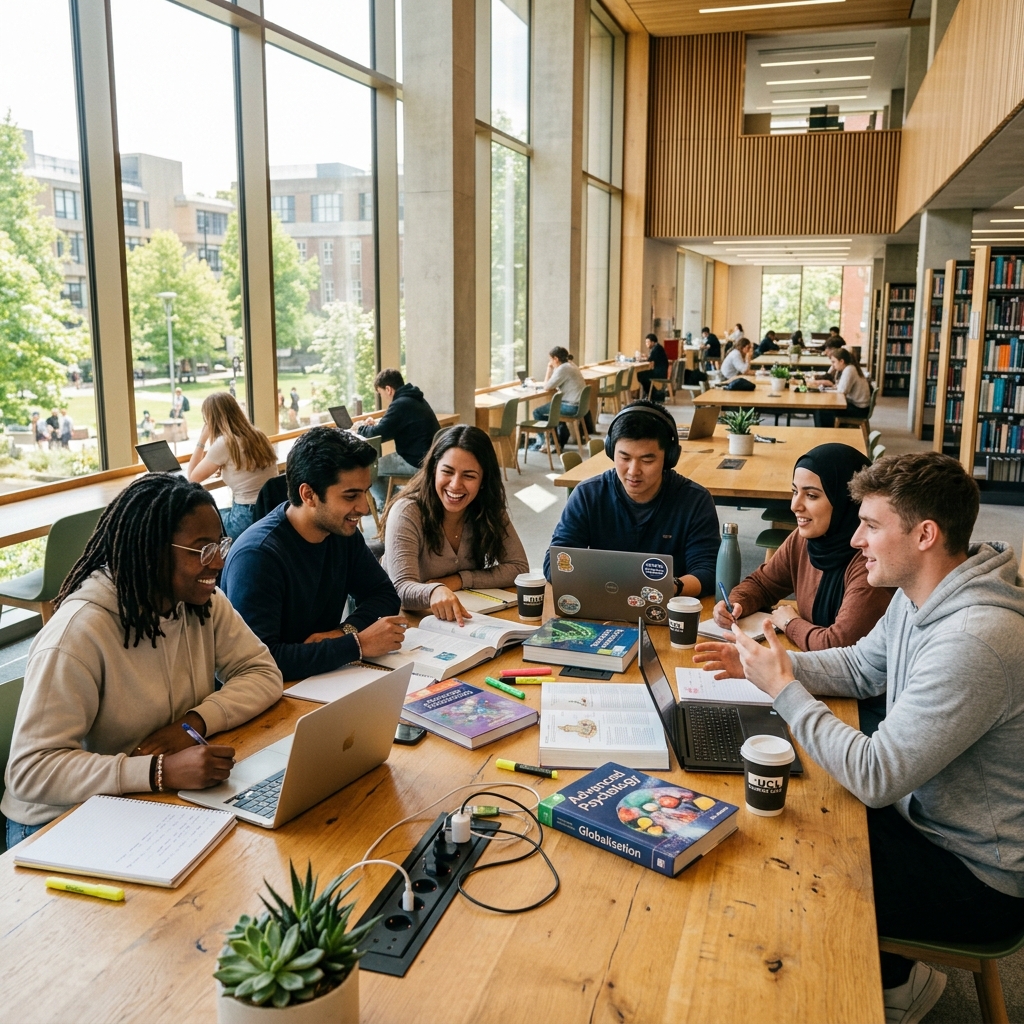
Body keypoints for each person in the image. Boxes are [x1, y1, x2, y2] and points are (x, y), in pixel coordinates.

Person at [694, 453, 1024, 1024]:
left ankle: (878, 987)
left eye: (871, 525)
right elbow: (860, 668)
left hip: (974, 875)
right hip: (923, 816)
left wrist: (784, 690)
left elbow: (876, 776)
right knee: (783, 813)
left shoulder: (976, 640)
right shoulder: (921, 591)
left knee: (777, 868)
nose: (856, 539)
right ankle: (897, 975)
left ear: (925, 535)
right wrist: (768, 663)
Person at [1, 473, 283, 848]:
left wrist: (191, 723)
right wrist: (158, 771)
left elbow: (263, 673)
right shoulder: (78, 633)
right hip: (58, 818)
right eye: (202, 550)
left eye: (219, 545)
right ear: (151, 550)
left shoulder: (202, 603)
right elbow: (31, 771)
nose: (218, 562)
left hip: (139, 797)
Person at [222, 426, 405, 681]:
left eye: (365, 491)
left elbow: (383, 595)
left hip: (321, 680)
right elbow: (261, 660)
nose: (364, 507)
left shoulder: (342, 533)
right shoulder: (257, 557)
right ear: (308, 495)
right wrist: (356, 644)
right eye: (351, 495)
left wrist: (344, 632)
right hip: (271, 695)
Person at [713, 444, 894, 651]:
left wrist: (791, 623)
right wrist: (735, 604)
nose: (794, 505)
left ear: (847, 501)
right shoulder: (805, 539)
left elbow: (837, 645)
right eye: (795, 491)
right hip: (812, 665)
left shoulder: (870, 561)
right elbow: (763, 584)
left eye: (811, 495)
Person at [544, 401, 720, 597]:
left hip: (670, 608)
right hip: (603, 605)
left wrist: (670, 587)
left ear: (669, 457)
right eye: (625, 458)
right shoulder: (588, 495)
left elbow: (709, 571)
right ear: (611, 451)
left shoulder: (695, 500)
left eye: (647, 460)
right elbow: (555, 564)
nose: (633, 471)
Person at [381, 425, 529, 623]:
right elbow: (400, 589)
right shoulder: (407, 511)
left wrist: (458, 580)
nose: (455, 484)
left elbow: (519, 568)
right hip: (407, 622)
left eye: (469, 476)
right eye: (447, 472)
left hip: (458, 621)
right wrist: (435, 591)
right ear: (434, 470)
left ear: (483, 480)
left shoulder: (488, 508)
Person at [186, 392, 279, 540]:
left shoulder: (224, 443)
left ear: (210, 420)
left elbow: (192, 478)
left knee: (200, 521)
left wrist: (202, 439)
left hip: (246, 517)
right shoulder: (258, 435)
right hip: (270, 512)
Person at [358, 368, 442, 500]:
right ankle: (399, 497)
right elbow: (390, 425)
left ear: (388, 389)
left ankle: (392, 503)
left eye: (380, 393)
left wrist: (361, 428)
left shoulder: (400, 404)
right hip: (431, 457)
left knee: (368, 470)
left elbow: (377, 433)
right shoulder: (415, 398)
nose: (383, 398)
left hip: (416, 461)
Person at [531, 346, 593, 447]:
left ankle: (547, 443)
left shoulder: (563, 369)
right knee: (554, 410)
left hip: (571, 407)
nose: (550, 362)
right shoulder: (571, 365)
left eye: (550, 360)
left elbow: (547, 386)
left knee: (537, 412)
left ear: (556, 359)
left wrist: (549, 368)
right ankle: (556, 440)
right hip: (580, 406)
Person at [815, 347, 871, 427]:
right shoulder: (849, 368)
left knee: (822, 411)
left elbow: (841, 392)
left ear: (841, 361)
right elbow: (840, 388)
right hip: (857, 405)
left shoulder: (849, 370)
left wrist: (826, 390)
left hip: (859, 410)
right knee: (822, 409)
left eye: (834, 362)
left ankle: (827, 434)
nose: (833, 365)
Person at [637, 335, 670, 402]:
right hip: (660, 371)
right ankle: (652, 394)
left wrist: (641, 358)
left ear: (652, 342)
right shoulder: (658, 348)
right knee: (642, 375)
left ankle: (652, 394)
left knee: (641, 375)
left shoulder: (657, 349)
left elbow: (649, 359)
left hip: (660, 373)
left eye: (647, 342)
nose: (646, 344)